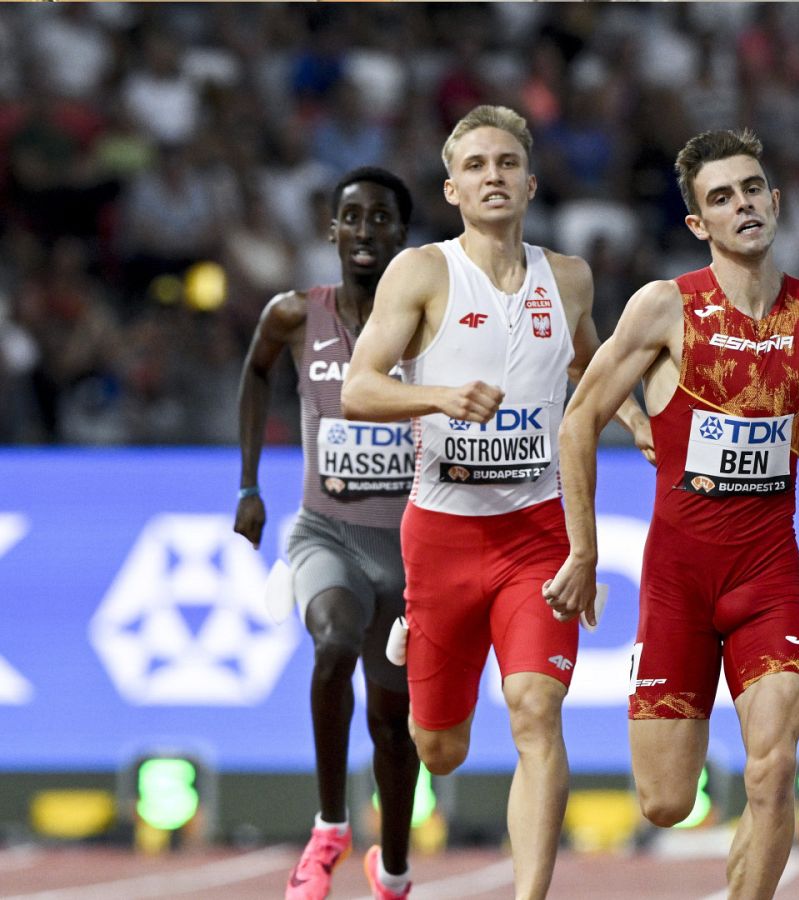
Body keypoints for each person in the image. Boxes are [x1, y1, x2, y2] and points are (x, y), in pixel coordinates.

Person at [544, 128, 799, 900]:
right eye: (722, 197)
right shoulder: (665, 309)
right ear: (698, 223)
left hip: (767, 580)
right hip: (677, 585)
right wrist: (583, 551)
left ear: (775, 202)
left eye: (752, 190)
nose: (742, 205)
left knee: (772, 769)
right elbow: (578, 421)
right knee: (665, 801)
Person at [342, 105, 649, 900]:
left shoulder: (569, 277)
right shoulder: (422, 273)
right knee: (440, 749)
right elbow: (359, 388)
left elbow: (591, 366)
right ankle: (414, 632)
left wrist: (640, 421)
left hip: (537, 535)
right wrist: (440, 397)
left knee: (535, 709)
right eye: (475, 166)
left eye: (507, 163)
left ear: (531, 183)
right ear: (452, 189)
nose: (493, 177)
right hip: (442, 538)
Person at [233, 166, 419, 900]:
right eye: (353, 216)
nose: (365, 230)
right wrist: (249, 484)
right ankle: (330, 829)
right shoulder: (293, 314)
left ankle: (394, 871)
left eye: (381, 218)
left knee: (393, 725)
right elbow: (255, 373)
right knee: (334, 644)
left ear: (403, 235)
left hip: (408, 551)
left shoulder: (430, 321)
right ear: (332, 230)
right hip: (326, 534)